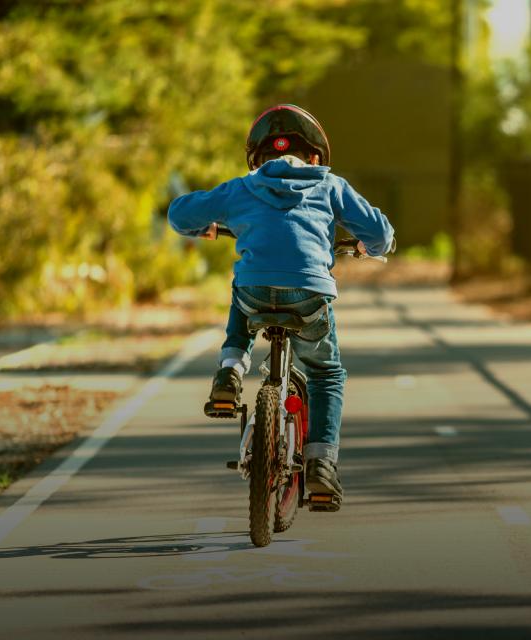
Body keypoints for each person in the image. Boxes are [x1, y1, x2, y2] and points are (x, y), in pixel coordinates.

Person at [168, 104, 394, 505]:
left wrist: (206, 225)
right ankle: (322, 466)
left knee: (244, 287)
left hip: (255, 293)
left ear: (259, 159)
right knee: (326, 374)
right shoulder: (330, 185)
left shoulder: (242, 187)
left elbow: (179, 213)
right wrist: (369, 246)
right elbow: (379, 232)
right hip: (309, 296)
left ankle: (229, 372)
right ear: (314, 158)